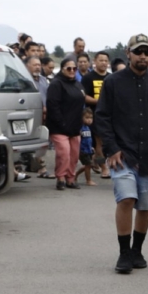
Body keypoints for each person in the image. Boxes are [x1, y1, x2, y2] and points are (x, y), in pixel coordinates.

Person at [93, 34, 148, 274]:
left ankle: (137, 250)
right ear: (128, 52)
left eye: (147, 52)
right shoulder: (112, 83)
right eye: (138, 52)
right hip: (122, 155)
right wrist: (111, 148)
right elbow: (102, 118)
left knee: (144, 205)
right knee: (126, 199)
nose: (143, 56)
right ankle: (123, 253)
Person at [45, 58, 86, 190]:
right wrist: (61, 122)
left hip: (75, 126)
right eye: (69, 68)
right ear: (62, 69)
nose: (72, 71)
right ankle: (61, 178)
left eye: (74, 69)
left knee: (74, 155)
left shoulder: (77, 84)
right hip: (59, 126)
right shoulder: (56, 84)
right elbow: (52, 105)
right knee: (64, 153)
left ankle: (70, 178)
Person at [83, 51, 113, 178]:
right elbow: (84, 96)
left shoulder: (112, 78)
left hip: (111, 116)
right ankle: (104, 167)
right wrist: (100, 102)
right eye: (101, 60)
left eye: (106, 61)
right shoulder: (88, 78)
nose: (104, 63)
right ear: (94, 62)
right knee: (99, 142)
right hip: (95, 115)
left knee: (108, 142)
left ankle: (96, 159)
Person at [78, 108, 96, 186]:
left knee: (88, 165)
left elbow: (89, 139)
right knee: (88, 165)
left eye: (91, 118)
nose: (89, 120)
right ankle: (88, 180)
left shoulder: (88, 128)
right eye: (87, 117)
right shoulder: (81, 128)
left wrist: (91, 147)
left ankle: (75, 175)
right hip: (83, 150)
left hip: (88, 149)